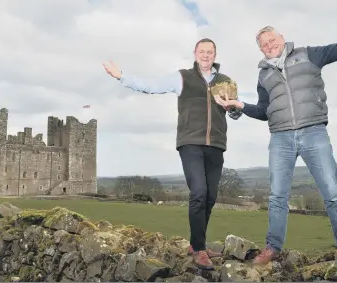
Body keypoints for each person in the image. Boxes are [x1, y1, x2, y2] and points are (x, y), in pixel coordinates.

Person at [217, 0, 337, 266]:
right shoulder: (263, 76)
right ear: (260, 49)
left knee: (332, 193)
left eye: (272, 39)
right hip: (281, 138)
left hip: (314, 133)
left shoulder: (310, 55)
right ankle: (272, 249)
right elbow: (264, 111)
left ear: (282, 38)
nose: (269, 45)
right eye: (264, 44)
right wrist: (240, 106)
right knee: (277, 196)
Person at [102, 38, 242, 270]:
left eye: (210, 52)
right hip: (190, 143)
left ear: (215, 55)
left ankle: (197, 243)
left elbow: (236, 112)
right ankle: (199, 249)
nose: (206, 55)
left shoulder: (226, 81)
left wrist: (233, 108)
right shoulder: (182, 77)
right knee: (198, 191)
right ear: (195, 54)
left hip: (216, 144)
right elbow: (151, 85)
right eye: (202, 51)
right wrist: (121, 76)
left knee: (210, 196)